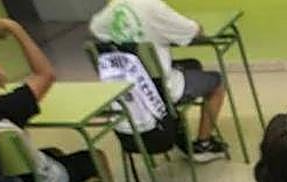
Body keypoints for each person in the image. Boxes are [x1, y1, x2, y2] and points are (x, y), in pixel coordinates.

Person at [0, 17, 125, 182]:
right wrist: (16, 28)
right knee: (96, 158)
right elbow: (45, 74)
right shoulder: (6, 108)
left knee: (54, 153)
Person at [89, 0, 228, 162]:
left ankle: (177, 128)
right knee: (218, 81)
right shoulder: (153, 6)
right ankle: (204, 145)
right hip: (160, 89)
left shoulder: (112, 8)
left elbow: (95, 30)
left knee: (193, 65)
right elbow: (195, 31)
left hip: (128, 89)